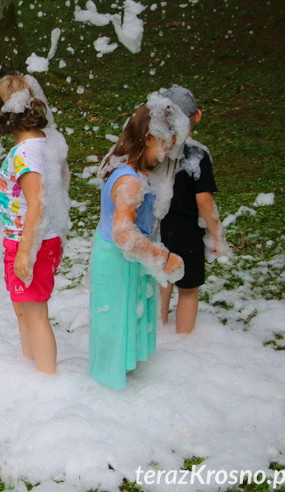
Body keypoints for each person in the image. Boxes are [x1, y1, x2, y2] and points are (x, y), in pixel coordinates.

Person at [89, 99, 189, 389]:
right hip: (119, 259)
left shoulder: (126, 168)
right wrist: (161, 258)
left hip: (120, 256)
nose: (168, 153)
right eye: (165, 145)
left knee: (120, 317)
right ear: (148, 137)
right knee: (116, 321)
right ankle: (108, 384)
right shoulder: (130, 181)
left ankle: (118, 371)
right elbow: (123, 234)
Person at [0, 75, 71, 374]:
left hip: (31, 243)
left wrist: (25, 251)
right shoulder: (48, 143)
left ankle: (47, 378)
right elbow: (61, 184)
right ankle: (29, 367)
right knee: (23, 308)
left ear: (2, 114)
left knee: (34, 313)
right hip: (35, 239)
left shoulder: (24, 154)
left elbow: (38, 202)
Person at [157, 86, 226, 334]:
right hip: (188, 236)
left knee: (162, 283)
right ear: (197, 115)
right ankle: (183, 341)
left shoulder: (156, 151)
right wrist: (216, 233)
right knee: (188, 291)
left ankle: (160, 334)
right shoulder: (197, 155)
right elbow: (204, 200)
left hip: (159, 232)